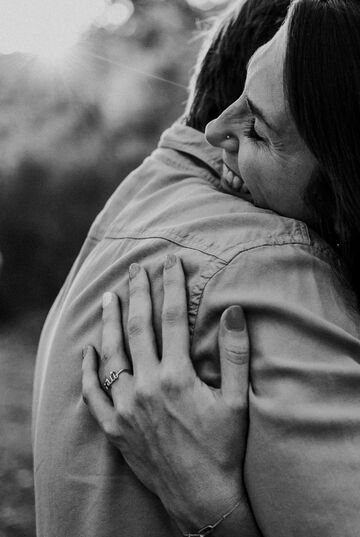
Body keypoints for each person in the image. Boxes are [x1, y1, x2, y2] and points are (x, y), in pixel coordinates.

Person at [32, 0, 360, 536]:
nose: (215, 130)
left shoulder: (135, 204)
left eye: (258, 129)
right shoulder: (267, 266)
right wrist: (214, 513)